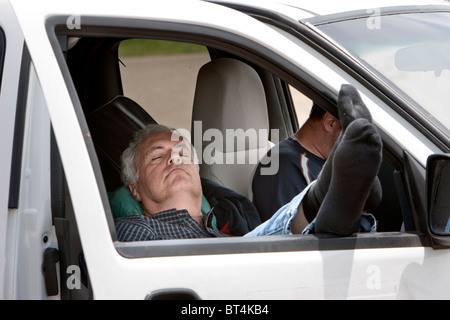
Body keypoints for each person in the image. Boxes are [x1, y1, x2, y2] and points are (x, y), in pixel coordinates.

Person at [114, 84, 382, 241]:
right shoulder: (132, 231)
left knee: (275, 242)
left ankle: (330, 203)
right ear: (135, 189)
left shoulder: (232, 214)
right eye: (157, 157)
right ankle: (326, 197)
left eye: (183, 152)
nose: (174, 157)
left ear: (197, 170)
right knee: (256, 246)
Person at [252, 103, 341, 222]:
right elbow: (289, 235)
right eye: (353, 133)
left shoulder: (323, 161)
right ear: (330, 122)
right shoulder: (284, 167)